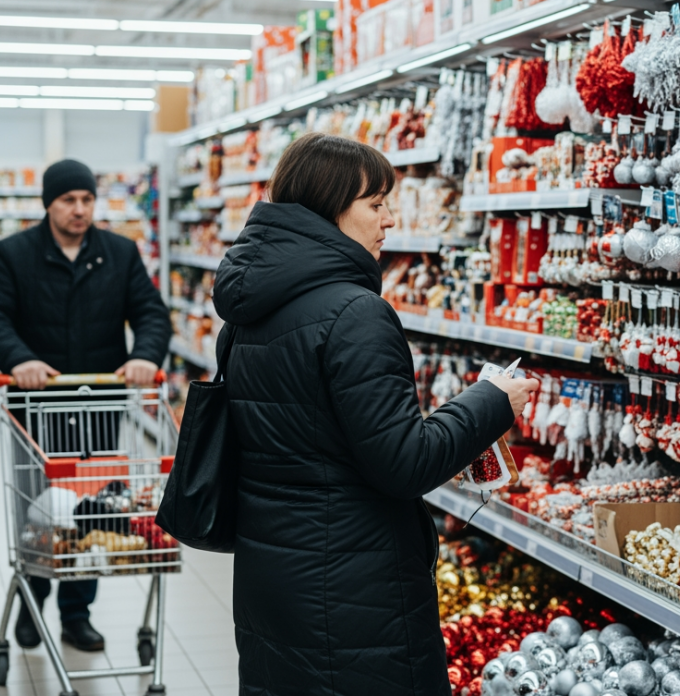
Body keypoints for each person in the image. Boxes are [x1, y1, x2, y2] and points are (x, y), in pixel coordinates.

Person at [212, 133, 539, 694]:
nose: (390, 219)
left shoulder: (247, 310)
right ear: (330, 207)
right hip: (352, 589)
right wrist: (490, 402)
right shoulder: (356, 313)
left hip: (273, 575)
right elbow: (403, 464)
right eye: (376, 203)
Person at [0, 158, 172, 652]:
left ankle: (76, 614)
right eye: (68, 200)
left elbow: (151, 314)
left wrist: (145, 355)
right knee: (39, 509)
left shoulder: (119, 253)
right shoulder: (14, 254)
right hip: (36, 411)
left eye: (87, 199)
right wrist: (19, 359)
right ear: (49, 204)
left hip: (98, 407)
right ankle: (33, 598)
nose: (79, 209)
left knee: (92, 510)